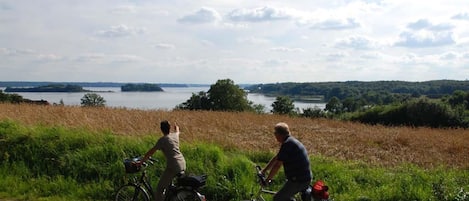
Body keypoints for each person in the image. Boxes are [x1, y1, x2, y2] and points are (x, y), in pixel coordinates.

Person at [136, 120, 186, 201]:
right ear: (169, 128)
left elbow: (151, 152)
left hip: (173, 166)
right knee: (168, 186)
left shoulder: (163, 140)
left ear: (161, 129)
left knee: (159, 189)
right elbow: (177, 132)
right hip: (182, 163)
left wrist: (141, 161)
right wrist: (176, 128)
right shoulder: (174, 136)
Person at [261, 122, 312, 201]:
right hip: (301, 178)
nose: (274, 135)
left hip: (299, 180)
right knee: (286, 197)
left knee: (278, 198)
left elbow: (277, 165)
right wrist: (264, 170)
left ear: (279, 134)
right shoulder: (290, 141)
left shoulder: (288, 144)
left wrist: (267, 180)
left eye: (275, 133)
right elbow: (277, 158)